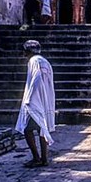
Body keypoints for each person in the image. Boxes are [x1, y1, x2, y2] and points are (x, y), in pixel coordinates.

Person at [15, 40, 56, 168]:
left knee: (27, 130)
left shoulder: (33, 61)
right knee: (42, 130)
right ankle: (44, 158)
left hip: (35, 100)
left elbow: (36, 78)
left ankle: (37, 158)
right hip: (45, 99)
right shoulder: (45, 61)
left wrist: (29, 98)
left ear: (27, 51)